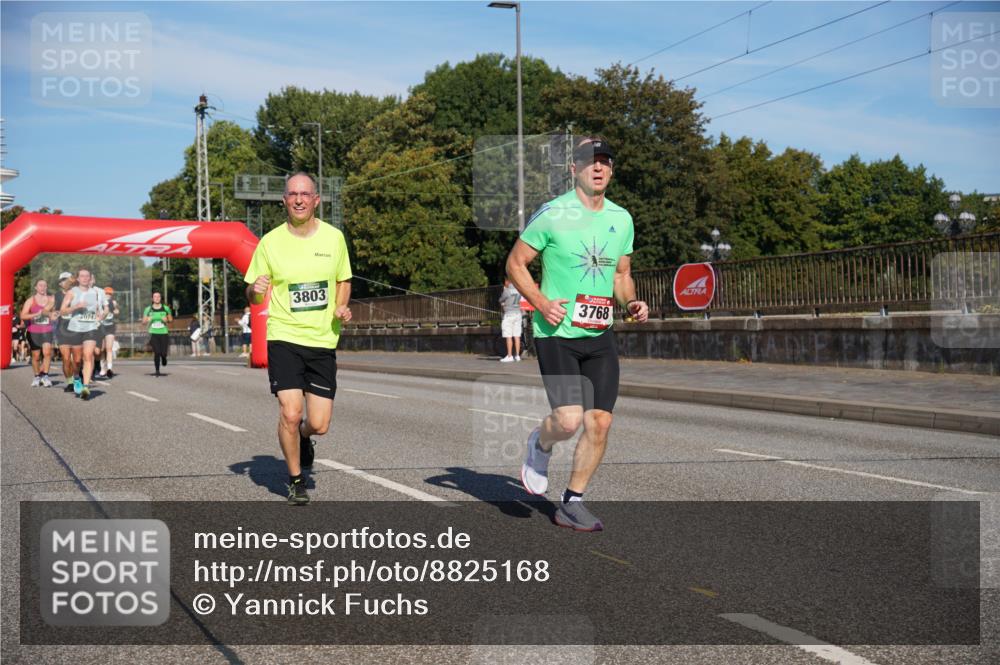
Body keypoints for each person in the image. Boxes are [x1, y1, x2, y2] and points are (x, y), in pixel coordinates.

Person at [506, 136, 649, 532]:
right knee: (568, 421)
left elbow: (622, 275)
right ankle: (541, 443)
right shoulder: (553, 213)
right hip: (557, 333)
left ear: (611, 170)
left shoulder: (622, 219)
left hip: (600, 335)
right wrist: (539, 300)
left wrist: (631, 302)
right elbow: (516, 263)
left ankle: (572, 502)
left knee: (600, 421)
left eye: (605, 161)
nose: (598, 167)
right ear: (575, 170)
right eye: (590, 161)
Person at [245, 172, 352, 506]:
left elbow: (343, 279)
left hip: (322, 340)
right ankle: (295, 479)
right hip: (284, 337)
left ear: (316, 200)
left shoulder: (334, 238)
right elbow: (251, 292)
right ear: (284, 200)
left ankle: (306, 439)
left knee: (318, 424)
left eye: (305, 194)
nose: (299, 200)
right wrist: (255, 290)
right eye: (293, 194)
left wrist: (341, 307)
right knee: (290, 413)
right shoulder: (270, 243)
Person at [60, 268, 107, 400]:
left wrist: (99, 316)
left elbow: (98, 309)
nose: (85, 278)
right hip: (75, 328)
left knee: (88, 355)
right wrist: (76, 307)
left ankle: (85, 387)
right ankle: (76, 377)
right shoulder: (72, 292)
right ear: (78, 279)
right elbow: (63, 311)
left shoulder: (96, 293)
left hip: (90, 328)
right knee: (76, 360)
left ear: (90, 278)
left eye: (87, 276)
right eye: (82, 276)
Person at [21, 279, 55, 387]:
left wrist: (53, 315)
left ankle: (45, 376)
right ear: (35, 287)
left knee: (47, 353)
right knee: (36, 356)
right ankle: (36, 376)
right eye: (40, 285)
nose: (42, 287)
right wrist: (35, 314)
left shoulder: (51, 299)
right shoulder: (30, 300)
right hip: (33, 331)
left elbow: (56, 312)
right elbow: (23, 315)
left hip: (47, 330)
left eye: (44, 285)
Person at [54, 272, 77, 392]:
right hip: (62, 331)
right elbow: (47, 310)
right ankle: (70, 382)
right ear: (60, 283)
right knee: (66, 358)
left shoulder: (78, 293)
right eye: (63, 280)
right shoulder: (56, 296)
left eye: (68, 279)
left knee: (77, 360)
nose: (66, 282)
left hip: (77, 330)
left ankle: (77, 377)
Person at [142, 292, 173, 377]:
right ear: (152, 299)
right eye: (155, 297)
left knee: (163, 353)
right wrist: (148, 319)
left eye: (158, 296)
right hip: (153, 333)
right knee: (157, 352)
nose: (157, 298)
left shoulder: (165, 308)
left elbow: (171, 319)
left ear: (160, 298)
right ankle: (157, 370)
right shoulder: (148, 309)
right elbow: (143, 322)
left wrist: (166, 320)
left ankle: (164, 358)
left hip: (163, 332)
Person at [498, 278, 523, 362]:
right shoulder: (519, 290)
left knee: (508, 336)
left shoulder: (507, 291)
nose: (505, 283)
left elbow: (500, 300)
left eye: (505, 281)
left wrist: (504, 304)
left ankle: (509, 355)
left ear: (508, 281)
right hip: (518, 313)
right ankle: (517, 355)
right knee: (517, 336)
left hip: (509, 314)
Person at [98, 286, 120, 378]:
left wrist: (116, 311)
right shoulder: (99, 302)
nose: (108, 295)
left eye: (110, 294)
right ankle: (103, 368)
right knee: (102, 350)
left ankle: (110, 369)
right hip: (101, 327)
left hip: (110, 327)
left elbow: (117, 311)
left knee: (109, 348)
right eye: (106, 293)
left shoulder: (113, 302)